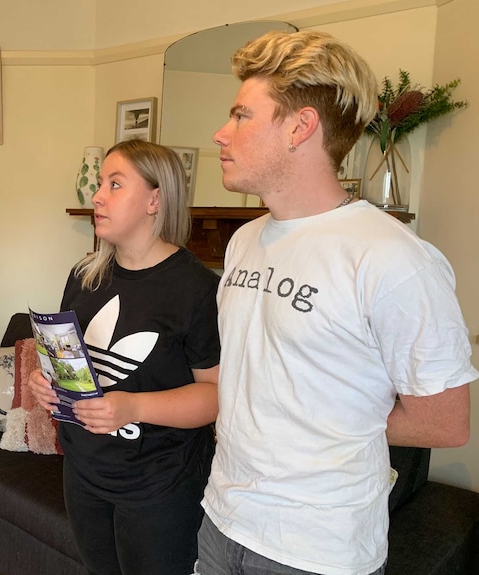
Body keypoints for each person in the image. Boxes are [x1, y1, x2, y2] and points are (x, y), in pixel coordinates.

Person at [199, 30, 477, 575]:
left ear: (300, 127)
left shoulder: (394, 259)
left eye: (241, 117)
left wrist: (324, 422)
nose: (221, 134)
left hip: (317, 550)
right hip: (222, 519)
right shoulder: (244, 241)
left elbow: (446, 422)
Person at [29, 139, 220, 575]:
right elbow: (74, 364)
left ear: (156, 199)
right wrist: (49, 383)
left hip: (159, 488)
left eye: (115, 184)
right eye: (100, 184)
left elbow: (215, 396)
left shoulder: (196, 289)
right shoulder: (84, 275)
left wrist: (134, 407)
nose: (97, 196)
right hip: (84, 476)